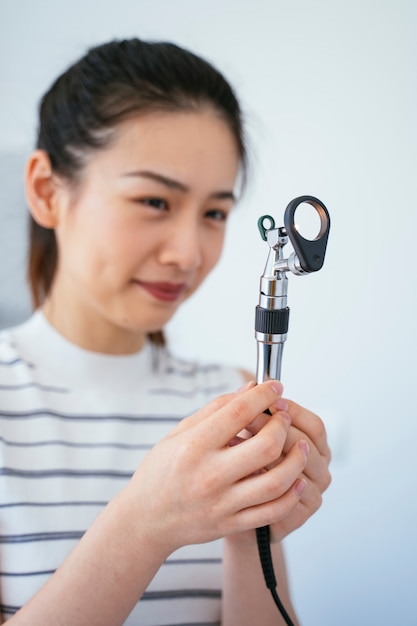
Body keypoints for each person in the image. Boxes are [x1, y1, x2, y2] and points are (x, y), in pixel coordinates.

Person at [0, 38, 331, 626]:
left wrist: (247, 530)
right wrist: (145, 524)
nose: (187, 253)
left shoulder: (231, 401)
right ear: (48, 192)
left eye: (215, 213)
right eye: (155, 200)